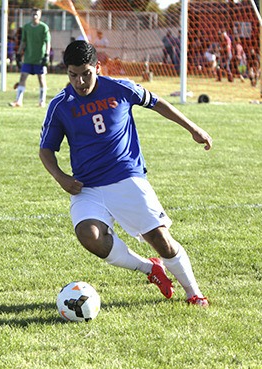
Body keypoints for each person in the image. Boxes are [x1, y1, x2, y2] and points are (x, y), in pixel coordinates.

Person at [39, 41, 212, 306]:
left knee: (161, 240)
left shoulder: (120, 88)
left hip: (126, 177)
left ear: (97, 67)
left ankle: (193, 292)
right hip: (88, 187)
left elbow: (157, 102)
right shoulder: (61, 105)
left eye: (86, 73)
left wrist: (193, 128)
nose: (81, 81)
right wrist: (61, 177)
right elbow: (46, 150)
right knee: (90, 236)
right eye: (73, 75)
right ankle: (150, 269)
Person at [9, 8, 51, 108]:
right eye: (33, 14)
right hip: (28, 58)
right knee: (22, 77)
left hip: (39, 58)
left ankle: (42, 101)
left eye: (37, 14)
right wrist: (19, 54)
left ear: (40, 15)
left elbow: (47, 42)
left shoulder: (44, 27)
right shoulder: (26, 27)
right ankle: (18, 101)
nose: (35, 16)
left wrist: (47, 55)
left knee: (41, 79)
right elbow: (23, 42)